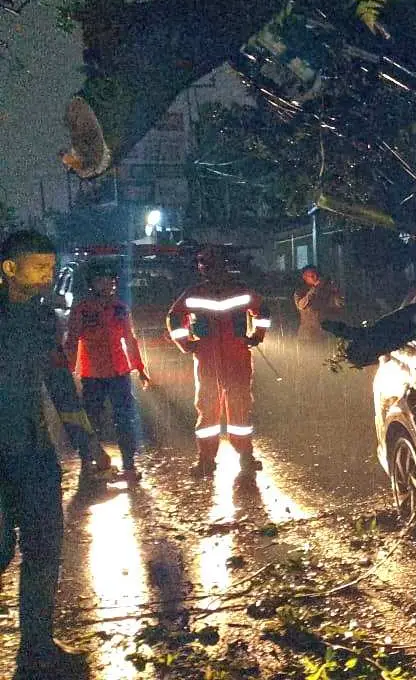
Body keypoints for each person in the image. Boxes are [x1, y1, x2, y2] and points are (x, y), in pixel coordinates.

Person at [0, 230, 92, 677]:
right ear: (10, 269)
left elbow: (59, 385)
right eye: (40, 268)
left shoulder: (40, 322)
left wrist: (86, 443)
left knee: (44, 551)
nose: (48, 277)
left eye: (51, 269)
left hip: (34, 456)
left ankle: (36, 650)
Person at [166, 246, 271, 477]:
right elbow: (174, 318)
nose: (215, 271)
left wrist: (256, 336)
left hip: (227, 357)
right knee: (210, 409)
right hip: (217, 358)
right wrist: (186, 343)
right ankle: (210, 459)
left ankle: (238, 457)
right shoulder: (229, 291)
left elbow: (262, 311)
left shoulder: (203, 292)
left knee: (236, 409)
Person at [63, 262, 152, 484]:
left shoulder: (120, 308)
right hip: (92, 373)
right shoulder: (82, 310)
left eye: (111, 280)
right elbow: (73, 341)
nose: (108, 284)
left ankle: (129, 464)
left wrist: (139, 368)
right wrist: (67, 369)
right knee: (92, 420)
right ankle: (88, 461)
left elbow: (129, 339)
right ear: (92, 283)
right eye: (102, 280)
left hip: (118, 372)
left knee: (124, 419)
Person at [293, 265, 344, 343]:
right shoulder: (300, 292)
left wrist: (336, 292)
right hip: (307, 335)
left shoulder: (325, 290)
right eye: (312, 276)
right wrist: (315, 288)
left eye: (317, 275)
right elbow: (301, 305)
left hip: (324, 333)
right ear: (305, 277)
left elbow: (338, 305)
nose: (316, 277)